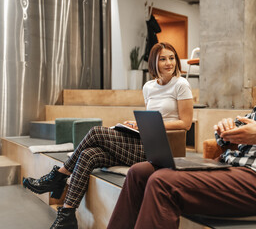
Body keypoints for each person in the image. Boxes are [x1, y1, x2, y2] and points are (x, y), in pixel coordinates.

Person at [106, 17, 256, 229]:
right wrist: (227, 131)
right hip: (232, 167)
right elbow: (246, 130)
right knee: (139, 172)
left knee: (162, 182)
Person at [22, 42, 193, 229]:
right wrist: (135, 124)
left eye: (171, 58)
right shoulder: (148, 87)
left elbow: (185, 123)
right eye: (163, 59)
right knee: (88, 155)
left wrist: (150, 124)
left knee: (96, 132)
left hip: (160, 147)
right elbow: (151, 116)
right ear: (154, 62)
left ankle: (59, 176)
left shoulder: (181, 84)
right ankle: (67, 216)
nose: (169, 63)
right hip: (141, 139)